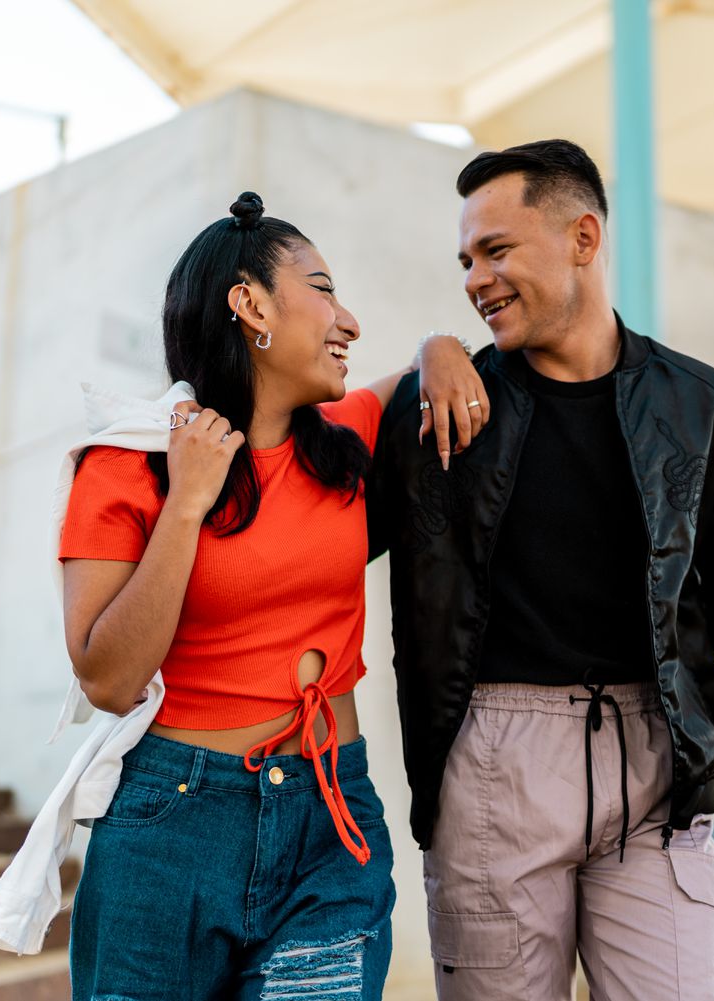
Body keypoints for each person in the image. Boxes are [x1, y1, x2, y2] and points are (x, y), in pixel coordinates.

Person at [367, 141, 714, 1001]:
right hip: (493, 765)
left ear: (582, 238)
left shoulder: (700, 404)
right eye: (467, 260)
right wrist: (425, 350)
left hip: (654, 768)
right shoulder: (440, 406)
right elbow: (302, 485)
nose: (477, 279)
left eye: (499, 250)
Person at [61, 193, 485, 1000]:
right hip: (170, 832)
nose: (349, 320)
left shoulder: (348, 436)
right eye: (322, 288)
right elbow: (107, 679)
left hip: (331, 823)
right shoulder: (127, 464)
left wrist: (440, 344)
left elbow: (429, 371)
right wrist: (187, 502)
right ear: (251, 304)